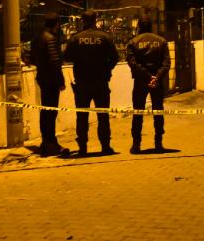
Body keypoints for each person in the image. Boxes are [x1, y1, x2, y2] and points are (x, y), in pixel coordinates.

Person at [64, 9, 119, 156]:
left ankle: (82, 147)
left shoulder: (76, 38)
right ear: (95, 20)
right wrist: (106, 69)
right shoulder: (105, 37)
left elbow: (67, 57)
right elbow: (115, 57)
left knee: (82, 116)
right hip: (101, 82)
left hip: (82, 82)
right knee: (103, 116)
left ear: (83, 21)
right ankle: (105, 147)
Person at [126, 16, 170, 154]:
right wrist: (156, 77)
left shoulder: (133, 42)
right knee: (158, 112)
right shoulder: (161, 41)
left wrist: (146, 76)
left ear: (139, 27)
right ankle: (158, 143)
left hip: (140, 81)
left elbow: (132, 63)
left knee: (138, 113)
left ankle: (136, 144)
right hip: (157, 82)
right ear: (151, 26)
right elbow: (166, 63)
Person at [30, 12, 69, 157]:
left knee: (45, 111)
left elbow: (32, 59)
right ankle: (51, 143)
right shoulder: (51, 38)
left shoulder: (37, 38)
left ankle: (46, 142)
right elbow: (55, 62)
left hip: (42, 77)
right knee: (51, 112)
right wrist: (61, 81)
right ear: (56, 24)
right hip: (51, 80)